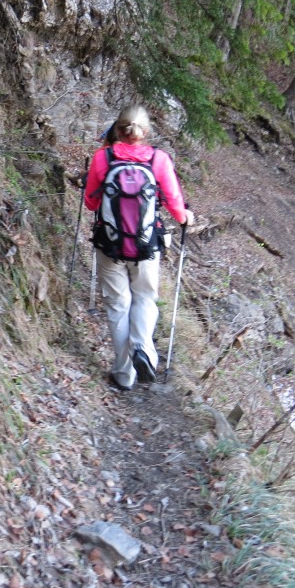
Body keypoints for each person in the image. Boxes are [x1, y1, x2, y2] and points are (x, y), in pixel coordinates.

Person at [83, 104, 193, 391]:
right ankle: (143, 348)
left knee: (118, 306)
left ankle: (124, 375)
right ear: (146, 132)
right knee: (144, 298)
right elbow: (175, 205)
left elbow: (91, 203)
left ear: (118, 129)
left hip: (110, 244)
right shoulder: (158, 159)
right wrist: (185, 217)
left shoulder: (103, 157)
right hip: (146, 246)